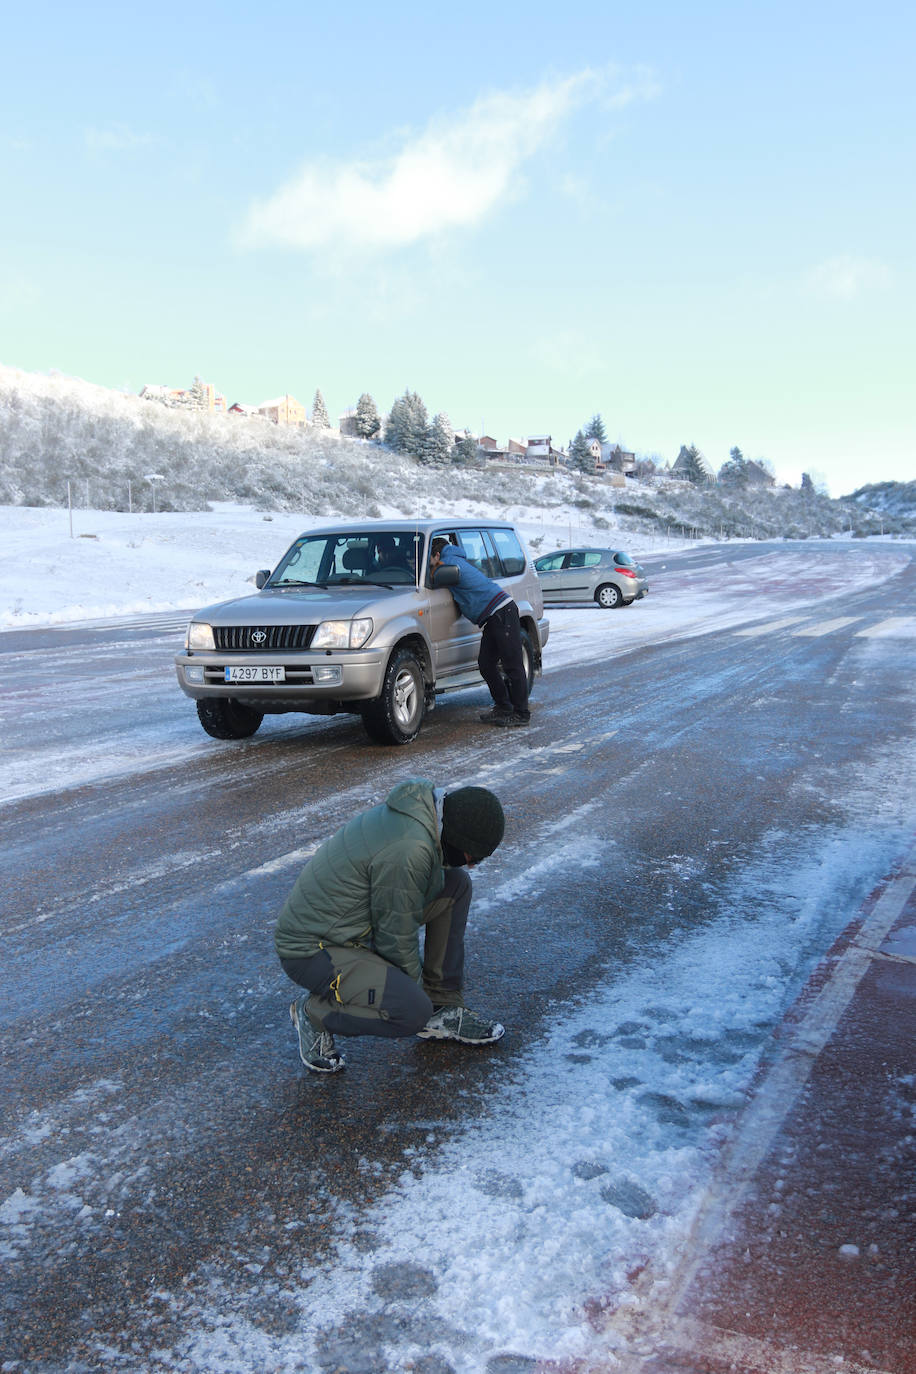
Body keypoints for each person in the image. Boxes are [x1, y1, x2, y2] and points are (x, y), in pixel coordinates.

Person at [275, 778, 506, 1074]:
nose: (471, 865)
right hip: (312, 950)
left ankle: (443, 1006)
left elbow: (394, 921)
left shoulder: (424, 817)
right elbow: (394, 938)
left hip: (353, 929)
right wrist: (413, 994)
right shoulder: (410, 850)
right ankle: (314, 1014)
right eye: (472, 857)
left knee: (456, 885)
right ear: (457, 837)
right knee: (410, 1011)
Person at [429, 536, 530, 726]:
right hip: (494, 616)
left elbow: (434, 578)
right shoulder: (453, 559)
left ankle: (521, 714)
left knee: (512, 665)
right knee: (486, 664)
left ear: (436, 554)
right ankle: (503, 707)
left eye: (429, 560)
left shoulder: (448, 563)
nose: (429, 564)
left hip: (502, 612)